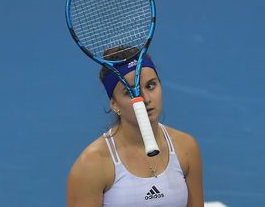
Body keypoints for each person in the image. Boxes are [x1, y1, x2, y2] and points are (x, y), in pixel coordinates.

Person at [66, 50, 204, 207]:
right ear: (115, 104)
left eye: (151, 85)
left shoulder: (186, 148)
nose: (144, 99)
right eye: (130, 92)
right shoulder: (91, 166)